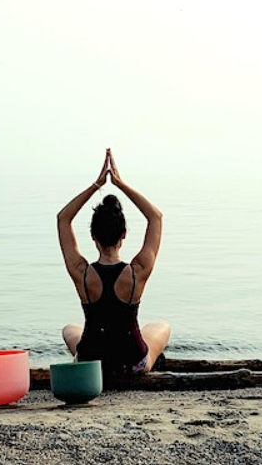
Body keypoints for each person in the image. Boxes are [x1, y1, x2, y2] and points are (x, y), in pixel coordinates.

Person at [57, 149, 171, 375]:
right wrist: (119, 183)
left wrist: (96, 185)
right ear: (124, 234)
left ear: (93, 236)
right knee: (161, 327)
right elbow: (155, 217)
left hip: (90, 361)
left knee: (69, 329)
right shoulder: (137, 271)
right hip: (132, 364)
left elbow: (63, 218)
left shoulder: (82, 272)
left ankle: (84, 356)